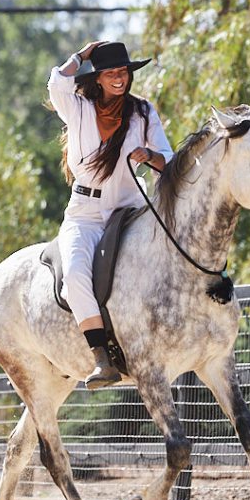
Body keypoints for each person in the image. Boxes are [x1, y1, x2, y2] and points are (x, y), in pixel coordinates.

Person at [47, 40, 174, 389]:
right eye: (111, 73)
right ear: (98, 77)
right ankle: (101, 358)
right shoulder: (78, 106)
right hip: (85, 213)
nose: (119, 78)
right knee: (73, 274)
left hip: (130, 209)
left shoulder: (144, 112)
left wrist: (148, 154)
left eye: (124, 72)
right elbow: (56, 82)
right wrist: (82, 56)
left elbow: (170, 161)